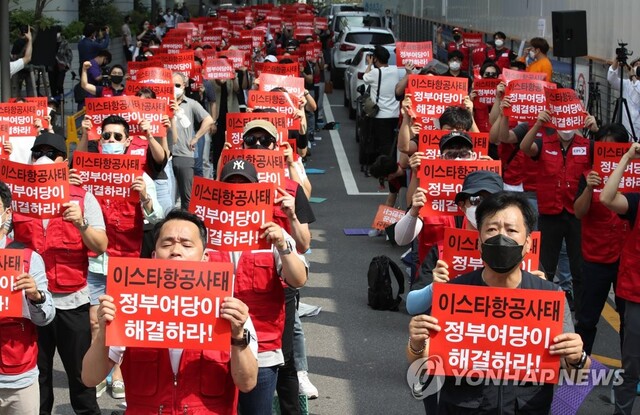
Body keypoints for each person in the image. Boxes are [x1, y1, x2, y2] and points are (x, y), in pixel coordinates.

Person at [408, 191, 590, 413]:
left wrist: (578, 357)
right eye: (492, 229)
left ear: (527, 244)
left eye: (511, 230)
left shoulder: (549, 297)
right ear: (479, 242)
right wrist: (416, 345)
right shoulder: (454, 294)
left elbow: (576, 374)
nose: (501, 237)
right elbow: (425, 360)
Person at [81, 209, 258, 413]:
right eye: (167, 244)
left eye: (186, 244)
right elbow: (89, 377)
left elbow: (247, 383)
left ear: (205, 258)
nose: (175, 250)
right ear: (154, 256)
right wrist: (104, 331)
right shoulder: (129, 307)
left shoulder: (230, 310)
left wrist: (237, 337)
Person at [11, 132, 107, 415]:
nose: (42, 158)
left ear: (64, 163)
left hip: (72, 303)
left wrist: (81, 223)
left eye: (51, 154)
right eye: (37, 152)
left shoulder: (82, 198)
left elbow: (100, 246)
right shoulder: (18, 198)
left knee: (81, 379)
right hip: (31, 304)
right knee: (37, 381)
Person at [209, 159, 309, 415]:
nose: (237, 193)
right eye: (230, 186)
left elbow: (298, 279)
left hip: (262, 349)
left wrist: (283, 245)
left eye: (245, 187)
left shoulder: (272, 234)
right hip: (210, 349)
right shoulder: (203, 236)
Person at [520, 110, 597, 312]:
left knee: (579, 266)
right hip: (550, 213)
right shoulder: (546, 143)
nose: (566, 128)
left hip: (576, 214)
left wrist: (595, 131)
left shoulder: (586, 145)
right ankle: (543, 307)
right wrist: (537, 124)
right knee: (546, 264)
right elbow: (525, 147)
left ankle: (580, 309)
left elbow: (607, 157)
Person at [573, 123, 629, 356]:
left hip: (627, 260)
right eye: (604, 149)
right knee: (587, 318)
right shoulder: (588, 176)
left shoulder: (634, 176)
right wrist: (589, 189)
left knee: (630, 319)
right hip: (595, 257)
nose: (610, 154)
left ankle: (630, 372)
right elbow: (578, 212)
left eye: (616, 150)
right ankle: (579, 364)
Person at [0, 181, 55, 415]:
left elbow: (46, 317)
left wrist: (36, 295)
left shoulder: (27, 258)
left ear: (7, 213)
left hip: (17, 378)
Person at [599, 142, 640, 415]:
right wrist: (627, 157)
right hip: (637, 295)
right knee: (633, 366)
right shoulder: (637, 201)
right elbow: (606, 198)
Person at [170, 72, 214, 209]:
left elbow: (209, 120)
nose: (174, 88)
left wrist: (196, 138)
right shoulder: (160, 103)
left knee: (187, 198)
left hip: (184, 154)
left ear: (184, 86)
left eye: (177, 85)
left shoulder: (191, 104)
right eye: (170, 85)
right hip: (164, 156)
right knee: (167, 197)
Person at [362, 45, 401, 168]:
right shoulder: (396, 70)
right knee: (393, 143)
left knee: (381, 143)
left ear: (375, 59)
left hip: (380, 115)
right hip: (395, 114)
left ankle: (384, 167)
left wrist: (369, 64)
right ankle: (392, 164)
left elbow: (365, 78)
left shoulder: (374, 72)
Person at [607, 56, 640, 138]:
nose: (638, 67)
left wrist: (633, 77)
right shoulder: (626, 84)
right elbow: (611, 79)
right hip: (624, 130)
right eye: (636, 65)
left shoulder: (637, 84)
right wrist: (616, 60)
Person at [49, 26, 73, 99]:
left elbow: (69, 55)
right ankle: (54, 103)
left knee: (59, 85)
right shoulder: (50, 42)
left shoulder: (64, 42)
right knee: (52, 86)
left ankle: (61, 101)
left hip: (61, 67)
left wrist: (67, 64)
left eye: (57, 32)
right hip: (51, 67)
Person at [9, 25, 33, 90]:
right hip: (29, 66)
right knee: (30, 88)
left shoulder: (17, 42)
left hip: (19, 69)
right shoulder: (30, 42)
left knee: (17, 87)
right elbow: (28, 57)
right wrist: (30, 39)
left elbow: (13, 55)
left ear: (20, 32)